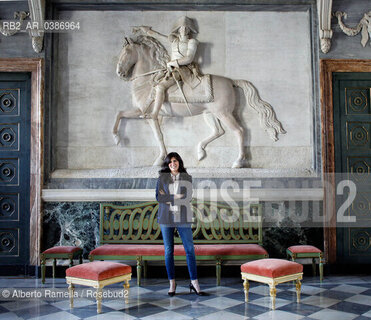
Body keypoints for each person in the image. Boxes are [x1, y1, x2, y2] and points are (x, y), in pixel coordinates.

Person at [156, 152, 205, 296]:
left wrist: (169, 197)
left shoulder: (187, 178)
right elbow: (158, 197)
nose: (173, 164)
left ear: (179, 162)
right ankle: (172, 283)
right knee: (168, 251)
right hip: (166, 218)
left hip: (183, 217)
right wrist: (177, 196)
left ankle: (194, 282)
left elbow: (188, 197)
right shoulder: (162, 178)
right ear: (167, 164)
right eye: (170, 162)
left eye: (175, 161)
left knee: (189, 249)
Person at [135, 16, 201, 119]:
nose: (184, 30)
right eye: (181, 28)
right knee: (153, 82)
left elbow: (189, 58)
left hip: (183, 69)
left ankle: (155, 114)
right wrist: (147, 31)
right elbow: (159, 36)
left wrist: (173, 63)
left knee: (161, 87)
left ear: (189, 30)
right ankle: (145, 108)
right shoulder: (174, 41)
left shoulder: (192, 42)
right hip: (170, 69)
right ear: (178, 29)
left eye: (186, 28)